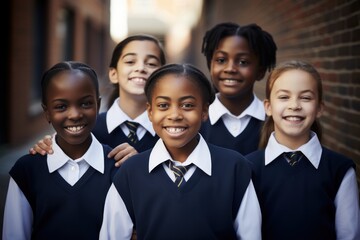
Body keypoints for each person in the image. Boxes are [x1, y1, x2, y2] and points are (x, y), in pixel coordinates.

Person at [99, 63, 262, 239]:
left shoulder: (234, 168)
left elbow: (250, 234)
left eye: (187, 105)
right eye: (163, 105)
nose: (175, 115)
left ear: (205, 111)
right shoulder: (130, 173)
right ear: (150, 111)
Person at [2, 61, 118, 240]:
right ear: (47, 112)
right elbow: (14, 235)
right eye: (61, 106)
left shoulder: (117, 167)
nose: (74, 114)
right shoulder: (27, 171)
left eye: (86, 104)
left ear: (98, 104)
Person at [246, 60, 360, 240]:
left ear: (319, 108)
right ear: (268, 107)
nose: (295, 105)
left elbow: (349, 235)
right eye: (284, 97)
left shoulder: (340, 169)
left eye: (305, 97)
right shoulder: (247, 167)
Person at [29, 34, 166, 166]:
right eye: (130, 61)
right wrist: (55, 145)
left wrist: (139, 167)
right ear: (113, 74)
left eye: (151, 63)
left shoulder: (172, 133)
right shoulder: (85, 127)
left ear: (162, 77)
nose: (141, 68)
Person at [200, 22, 277, 155]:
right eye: (221, 60)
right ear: (210, 65)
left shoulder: (274, 122)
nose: (230, 68)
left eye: (243, 62)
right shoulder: (196, 120)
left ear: (261, 71)